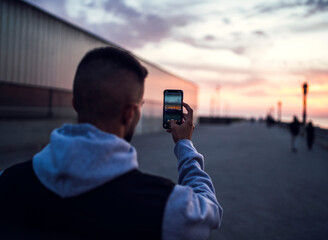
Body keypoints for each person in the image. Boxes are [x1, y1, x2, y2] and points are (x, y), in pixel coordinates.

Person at [0, 47, 222, 239]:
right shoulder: (166, 206)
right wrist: (184, 145)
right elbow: (210, 211)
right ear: (130, 113)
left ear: (75, 103)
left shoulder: (9, 181)